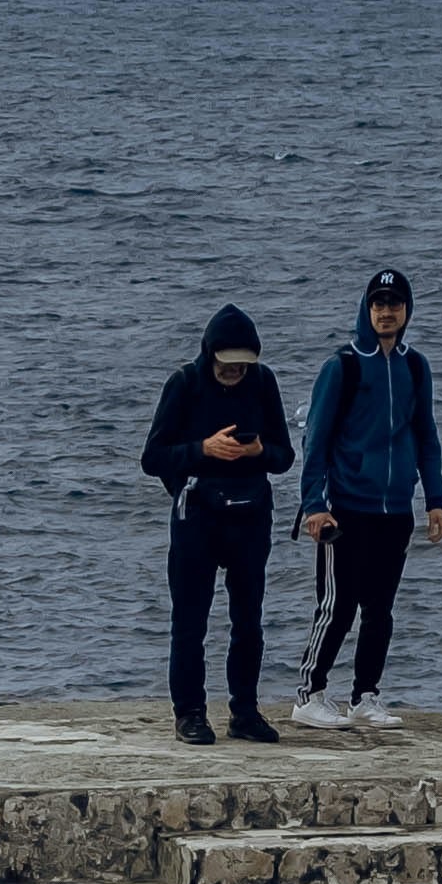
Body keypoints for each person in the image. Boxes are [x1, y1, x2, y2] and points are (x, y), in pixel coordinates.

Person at [289, 267, 442, 724]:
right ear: (367, 308)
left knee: (379, 609)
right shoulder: (343, 365)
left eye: (394, 304)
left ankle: (365, 696)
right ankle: (309, 695)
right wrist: (315, 506)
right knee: (337, 606)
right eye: (378, 303)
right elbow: (315, 442)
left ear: (406, 311)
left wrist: (435, 498)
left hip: (395, 509)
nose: (386, 312)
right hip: (346, 508)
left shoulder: (415, 366)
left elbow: (426, 436)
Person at [138, 302, 291, 744]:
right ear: (211, 356)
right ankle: (189, 713)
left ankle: (244, 711)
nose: (235, 373)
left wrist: (257, 452)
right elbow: (152, 458)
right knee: (190, 621)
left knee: (249, 621)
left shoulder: (264, 383)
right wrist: (203, 450)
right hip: (196, 518)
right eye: (227, 366)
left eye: (243, 366)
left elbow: (284, 456)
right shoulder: (184, 384)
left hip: (250, 515)